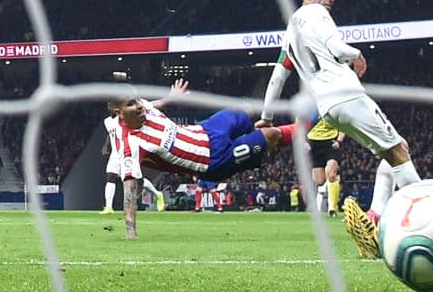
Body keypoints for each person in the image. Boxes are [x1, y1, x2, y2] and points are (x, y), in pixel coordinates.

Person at [259, 0, 421, 258]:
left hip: (327, 109)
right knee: (398, 150)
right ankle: (428, 219)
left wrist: (267, 116)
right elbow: (336, 47)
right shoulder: (317, 13)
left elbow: (278, 76)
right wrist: (356, 54)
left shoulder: (291, 30)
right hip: (348, 95)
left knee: (394, 152)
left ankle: (375, 218)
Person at [114, 78, 296, 239]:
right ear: (119, 112)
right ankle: (305, 130)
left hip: (207, 130)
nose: (139, 106)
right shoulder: (130, 145)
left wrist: (172, 98)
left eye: (138, 100)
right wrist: (131, 231)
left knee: (247, 109)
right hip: (214, 160)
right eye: (131, 104)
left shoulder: (143, 108)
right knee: (271, 135)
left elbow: (155, 104)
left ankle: (256, 135)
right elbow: (130, 189)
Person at [101, 110, 164, 214]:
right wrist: (106, 145)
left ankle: (157, 194)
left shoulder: (124, 117)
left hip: (128, 152)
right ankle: (108, 207)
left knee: (138, 180)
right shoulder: (107, 121)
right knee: (110, 177)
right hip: (115, 154)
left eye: (111, 105)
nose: (110, 108)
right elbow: (111, 133)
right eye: (108, 106)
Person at [306, 113, 345, 217]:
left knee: (331, 174)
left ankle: (332, 208)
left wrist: (339, 141)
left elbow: (344, 126)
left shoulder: (332, 107)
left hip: (331, 143)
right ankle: (336, 178)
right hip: (313, 144)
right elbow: (298, 127)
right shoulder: (308, 109)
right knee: (319, 180)